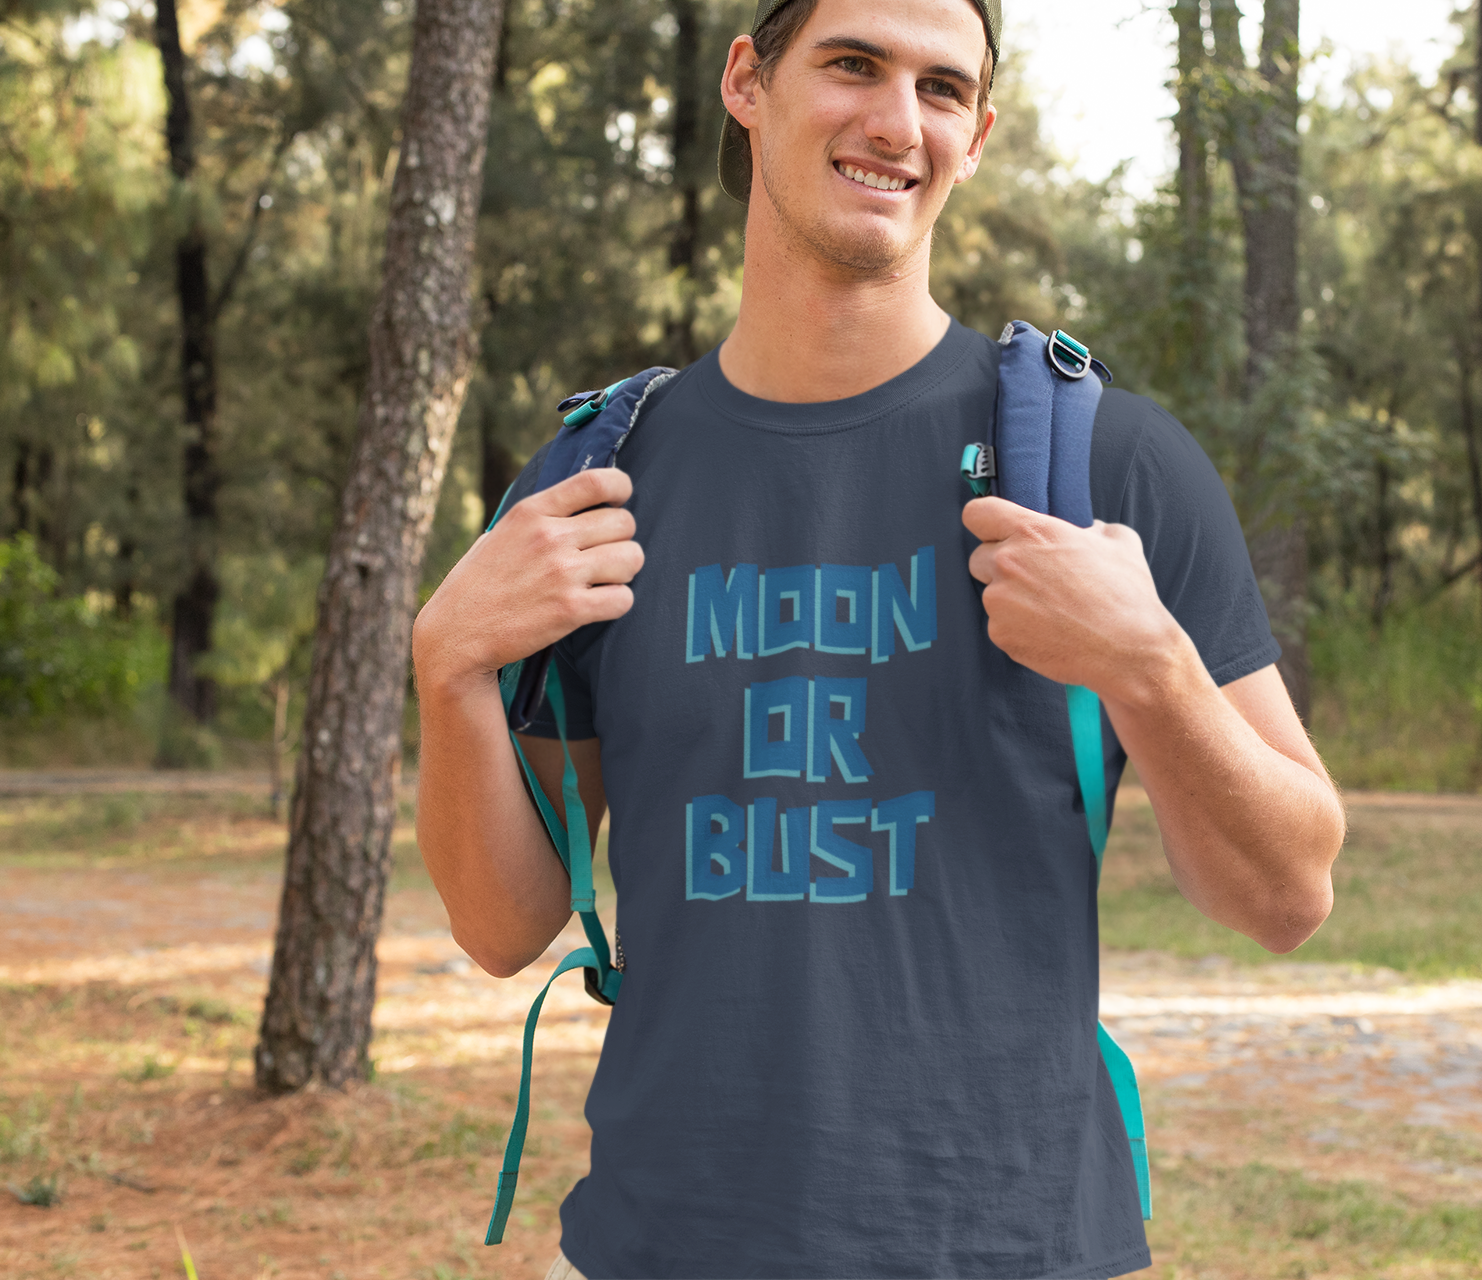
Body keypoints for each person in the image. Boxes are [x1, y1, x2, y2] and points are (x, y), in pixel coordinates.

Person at [412, 0, 1345, 1274]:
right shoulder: (598, 482)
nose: (897, 122)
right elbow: (502, 921)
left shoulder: (1106, 468)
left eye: (942, 88)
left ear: (978, 131)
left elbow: (1289, 892)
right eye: (854, 64)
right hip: (664, 1238)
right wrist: (447, 667)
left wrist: (1149, 664)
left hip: (1010, 1242)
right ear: (749, 80)